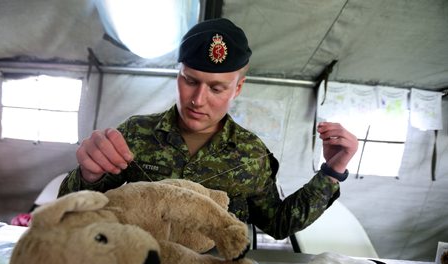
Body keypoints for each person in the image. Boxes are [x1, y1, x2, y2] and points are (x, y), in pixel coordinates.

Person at [58, 18, 358, 241]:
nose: (198, 101)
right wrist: (88, 176)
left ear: (237, 88)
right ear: (178, 76)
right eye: (190, 81)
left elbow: (279, 224)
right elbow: (73, 210)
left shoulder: (251, 155)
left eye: (216, 88)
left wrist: (332, 171)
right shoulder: (136, 134)